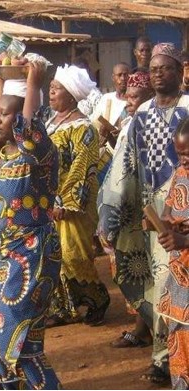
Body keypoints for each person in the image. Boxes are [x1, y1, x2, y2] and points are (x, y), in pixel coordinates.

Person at [97, 43, 189, 385]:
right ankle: (164, 357)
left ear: (180, 71)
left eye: (164, 68)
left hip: (184, 210)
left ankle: (170, 361)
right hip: (152, 215)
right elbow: (125, 163)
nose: (157, 73)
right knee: (156, 287)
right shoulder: (144, 113)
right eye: (153, 68)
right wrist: (112, 209)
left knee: (174, 286)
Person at [0, 62, 63, 389]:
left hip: (31, 259)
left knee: (21, 346)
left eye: (7, 114)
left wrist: (34, 82)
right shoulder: (1, 160)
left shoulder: (39, 156)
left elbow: (29, 131)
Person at [44, 64, 110, 327]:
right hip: (49, 201)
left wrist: (65, 202)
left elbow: (83, 167)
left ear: (71, 95)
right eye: (50, 87)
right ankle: (63, 308)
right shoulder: (50, 123)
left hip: (73, 205)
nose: (51, 92)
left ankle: (98, 298)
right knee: (53, 255)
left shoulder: (84, 128)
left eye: (57, 89)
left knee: (74, 255)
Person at [98, 71, 155, 349]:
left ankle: (145, 331)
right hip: (126, 211)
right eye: (128, 97)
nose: (129, 101)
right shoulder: (131, 124)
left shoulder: (147, 123)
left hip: (140, 210)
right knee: (132, 269)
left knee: (144, 271)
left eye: (135, 97)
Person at [157, 117, 189, 389]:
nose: (184, 160)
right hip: (180, 278)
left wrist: (183, 239)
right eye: (180, 154)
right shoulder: (180, 174)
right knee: (178, 343)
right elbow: (169, 209)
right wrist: (164, 223)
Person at [93, 62, 130, 184]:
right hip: (104, 155)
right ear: (113, 78)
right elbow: (94, 123)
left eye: (126, 75)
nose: (123, 79)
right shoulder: (106, 99)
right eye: (119, 75)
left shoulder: (132, 103)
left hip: (123, 155)